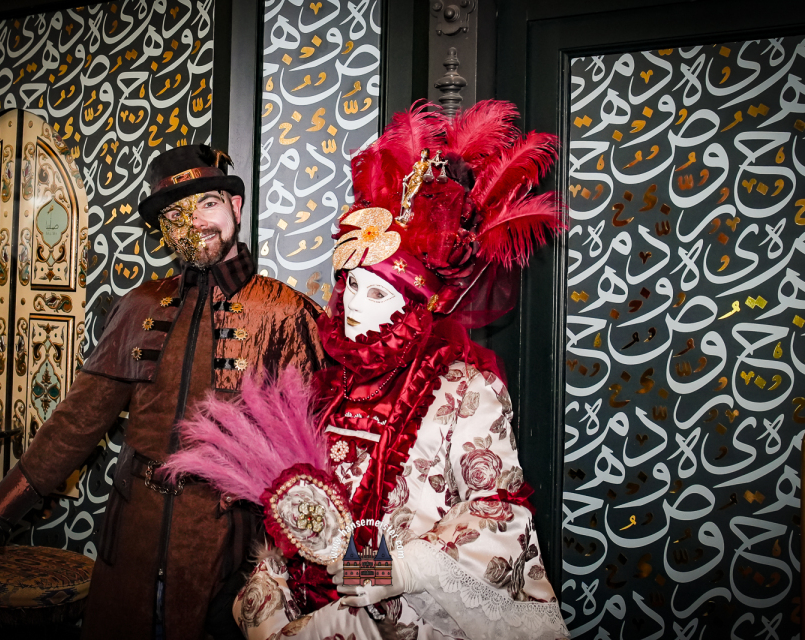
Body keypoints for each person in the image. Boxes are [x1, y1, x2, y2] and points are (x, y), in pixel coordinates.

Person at [0, 145, 328, 640]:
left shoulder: (287, 313)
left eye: (208, 203)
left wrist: (267, 570)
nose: (194, 222)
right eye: (175, 215)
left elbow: (314, 458)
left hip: (225, 554)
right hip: (131, 545)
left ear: (235, 206)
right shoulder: (138, 306)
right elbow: (76, 423)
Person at [232, 102, 570, 640]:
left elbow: (499, 513)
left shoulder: (465, 388)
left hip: (409, 616)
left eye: (378, 293)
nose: (354, 305)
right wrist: (271, 591)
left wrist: (399, 570)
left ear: (415, 303)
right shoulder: (329, 384)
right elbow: (300, 511)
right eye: (352, 286)